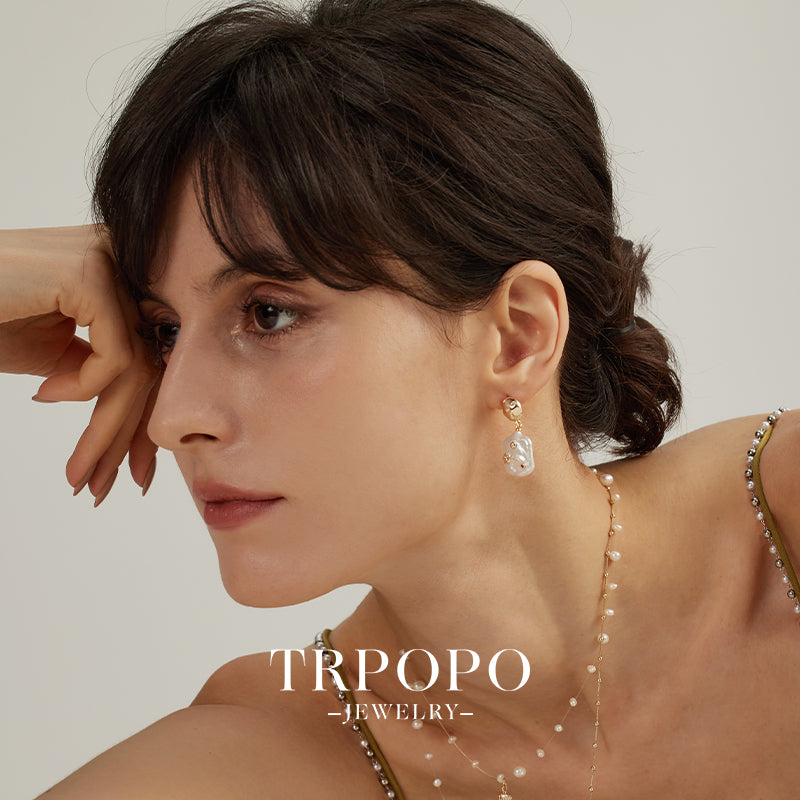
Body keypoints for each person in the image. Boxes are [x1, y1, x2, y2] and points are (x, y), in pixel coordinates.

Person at [2, 0, 797, 797]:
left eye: (268, 313)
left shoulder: (781, 527)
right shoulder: (259, 755)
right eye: (165, 330)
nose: (174, 418)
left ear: (517, 336)